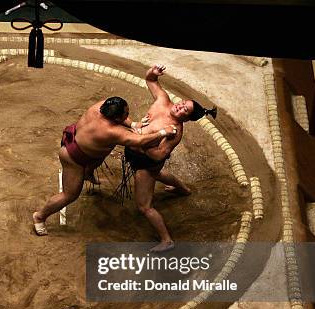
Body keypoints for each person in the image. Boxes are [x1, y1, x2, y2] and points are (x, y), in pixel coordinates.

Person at [32, 96, 178, 236]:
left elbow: (125, 123)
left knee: (102, 152)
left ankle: (88, 172)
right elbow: (139, 141)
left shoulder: (100, 106)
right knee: (69, 195)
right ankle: (40, 216)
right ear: (116, 118)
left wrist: (133, 124)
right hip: (73, 158)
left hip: (78, 140)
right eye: (126, 114)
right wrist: (163, 132)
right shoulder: (112, 131)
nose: (128, 116)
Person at [117, 64, 217, 252]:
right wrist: (152, 73)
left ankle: (167, 240)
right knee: (161, 174)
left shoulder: (175, 132)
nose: (180, 107)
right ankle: (183, 189)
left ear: (186, 119)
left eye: (184, 110)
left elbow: (159, 155)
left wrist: (140, 140)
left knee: (144, 206)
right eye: (182, 103)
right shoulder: (163, 100)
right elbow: (150, 81)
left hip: (146, 164)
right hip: (138, 152)